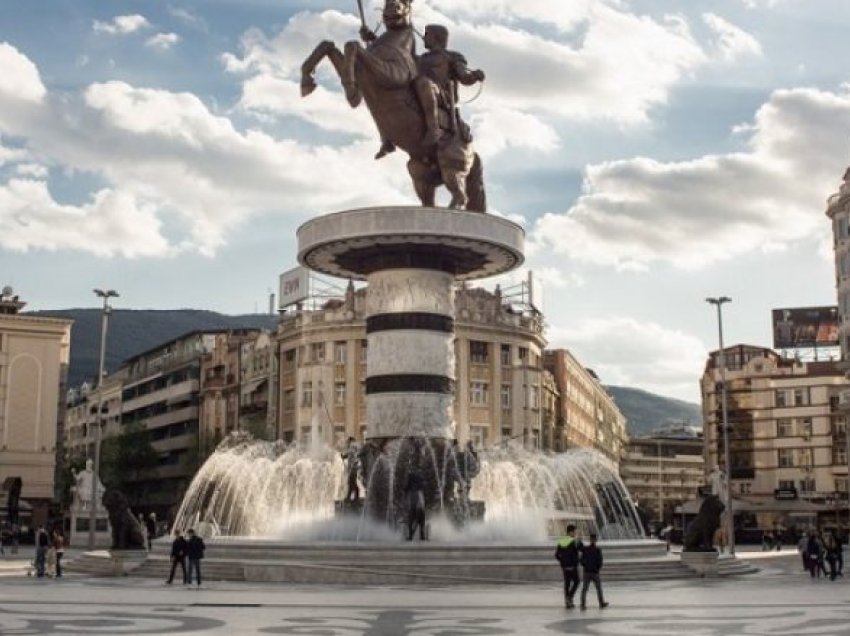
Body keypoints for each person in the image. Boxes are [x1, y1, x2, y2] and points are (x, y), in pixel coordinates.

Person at [412, 24, 486, 150]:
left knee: (424, 83)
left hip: (442, 96)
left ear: (437, 37)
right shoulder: (420, 59)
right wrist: (374, 41)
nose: (424, 37)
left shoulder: (452, 57)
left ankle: (433, 128)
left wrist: (474, 76)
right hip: (419, 94)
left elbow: (464, 78)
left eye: (427, 34)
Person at [555, 524, 583, 609]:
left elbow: (556, 555)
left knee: (567, 584)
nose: (575, 533)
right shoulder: (573, 541)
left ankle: (567, 603)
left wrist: (562, 563)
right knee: (577, 581)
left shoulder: (562, 541)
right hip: (573, 566)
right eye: (575, 532)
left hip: (565, 567)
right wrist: (579, 541)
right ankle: (569, 597)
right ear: (571, 532)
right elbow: (581, 549)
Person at [579, 533, 609, 610]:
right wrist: (597, 568)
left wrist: (585, 565)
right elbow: (600, 561)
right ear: (596, 540)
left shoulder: (586, 549)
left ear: (590, 540)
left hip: (587, 572)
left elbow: (581, 560)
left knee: (585, 589)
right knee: (598, 588)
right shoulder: (597, 550)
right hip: (595, 572)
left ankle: (583, 604)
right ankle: (601, 603)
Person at [405, 464, 427, 541]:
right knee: (420, 518)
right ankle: (421, 535)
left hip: (415, 501)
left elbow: (406, 488)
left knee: (412, 518)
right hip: (419, 501)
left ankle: (412, 535)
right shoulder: (420, 486)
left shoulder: (412, 479)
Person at [341, 437, 361, 503]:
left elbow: (346, 455)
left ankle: (352, 497)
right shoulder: (353, 449)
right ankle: (351, 497)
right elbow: (346, 456)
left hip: (353, 469)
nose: (347, 444)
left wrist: (342, 456)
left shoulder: (352, 449)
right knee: (351, 483)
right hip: (353, 469)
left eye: (347, 442)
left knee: (351, 482)